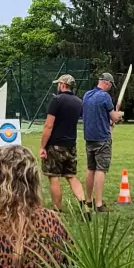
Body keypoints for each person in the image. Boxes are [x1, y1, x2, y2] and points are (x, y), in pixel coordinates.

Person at [39, 74, 86, 212]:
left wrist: (42, 146)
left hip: (55, 145)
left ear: (63, 85)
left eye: (58, 84)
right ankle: (84, 204)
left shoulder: (56, 100)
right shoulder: (79, 102)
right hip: (71, 144)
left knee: (54, 177)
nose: (57, 86)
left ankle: (57, 209)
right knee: (71, 176)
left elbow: (48, 125)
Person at [82, 73, 124, 212]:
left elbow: (99, 114)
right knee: (101, 169)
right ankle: (98, 204)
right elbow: (114, 116)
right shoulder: (104, 96)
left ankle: (88, 200)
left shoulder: (87, 95)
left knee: (90, 168)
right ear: (107, 83)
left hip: (89, 138)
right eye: (111, 85)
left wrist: (110, 120)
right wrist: (120, 115)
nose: (110, 88)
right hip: (102, 138)